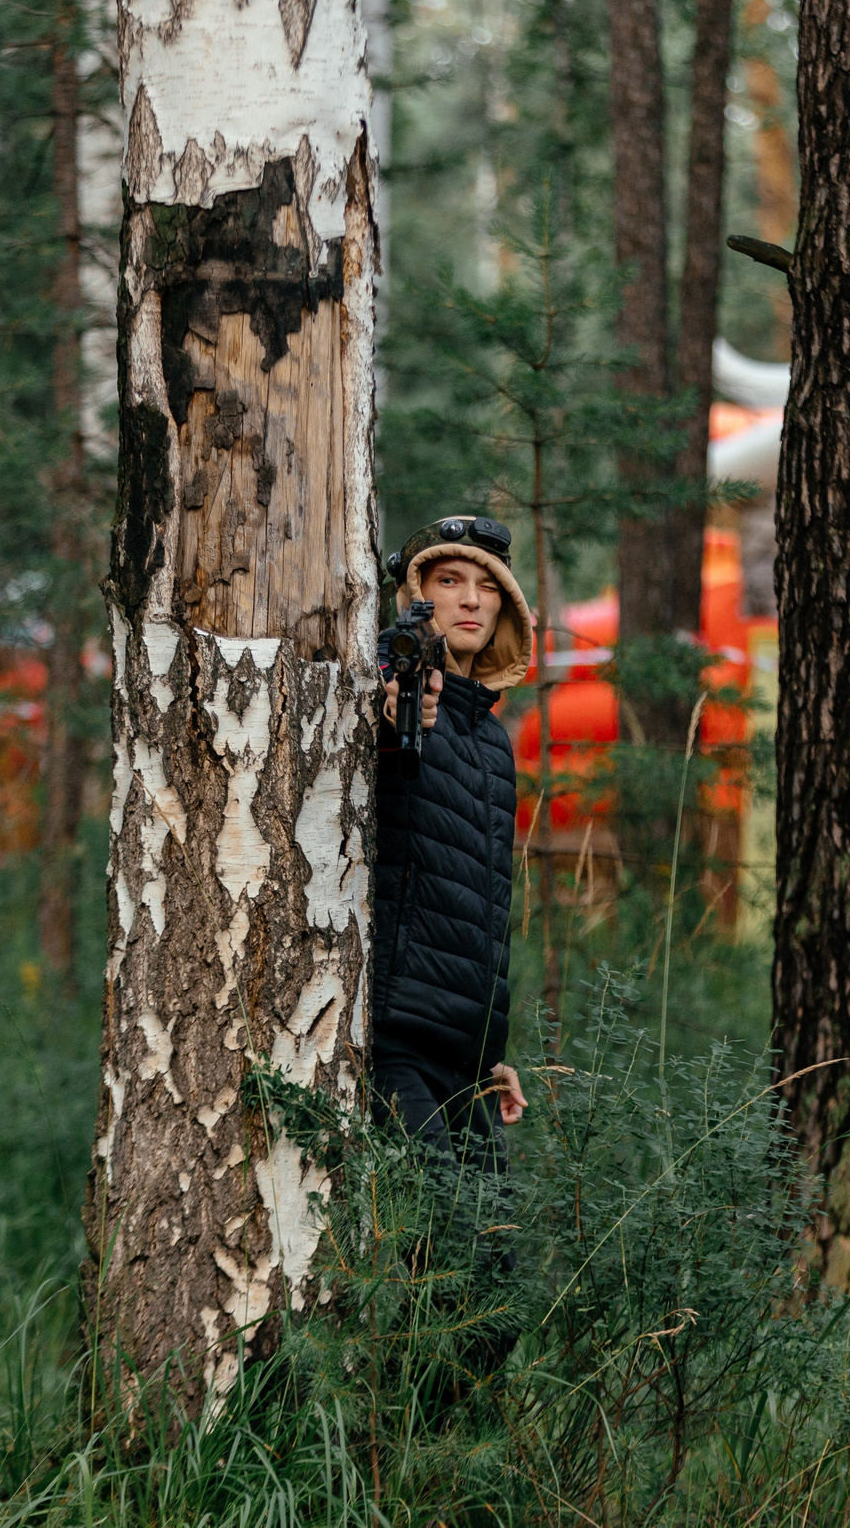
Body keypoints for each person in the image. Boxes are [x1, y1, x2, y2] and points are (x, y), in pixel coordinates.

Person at [370, 514, 533, 1325]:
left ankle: (436, 1444)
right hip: (396, 1038)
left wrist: (494, 1050)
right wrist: (396, 714)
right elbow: (383, 752)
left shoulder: (495, 740)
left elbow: (488, 903)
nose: (470, 600)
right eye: (448, 582)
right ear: (417, 597)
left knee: (495, 1287)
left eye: (487, 588)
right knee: (437, 1249)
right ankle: (382, 1443)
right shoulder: (399, 700)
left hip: (467, 1058)